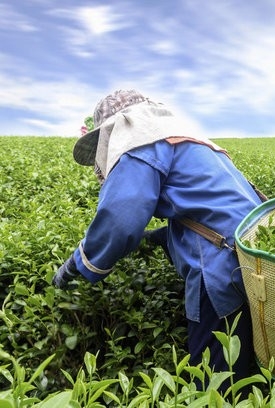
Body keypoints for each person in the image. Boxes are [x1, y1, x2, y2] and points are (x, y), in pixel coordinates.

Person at [51, 89, 262, 391]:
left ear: (117, 128)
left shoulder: (141, 143)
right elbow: (207, 208)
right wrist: (158, 238)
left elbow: (119, 219)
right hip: (250, 253)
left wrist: (78, 263)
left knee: (215, 377)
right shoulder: (188, 142)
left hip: (218, 265)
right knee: (240, 361)